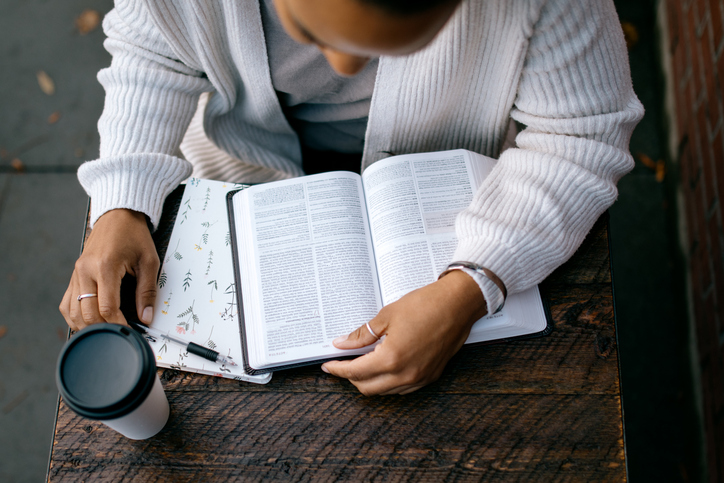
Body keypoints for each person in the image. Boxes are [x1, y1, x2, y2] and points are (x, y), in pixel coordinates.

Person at [59, 0, 643, 396]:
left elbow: (583, 134)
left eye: (395, 48)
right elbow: (155, 48)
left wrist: (475, 285)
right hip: (242, 166)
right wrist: (122, 202)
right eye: (311, 35)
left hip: (452, 192)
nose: (343, 68)